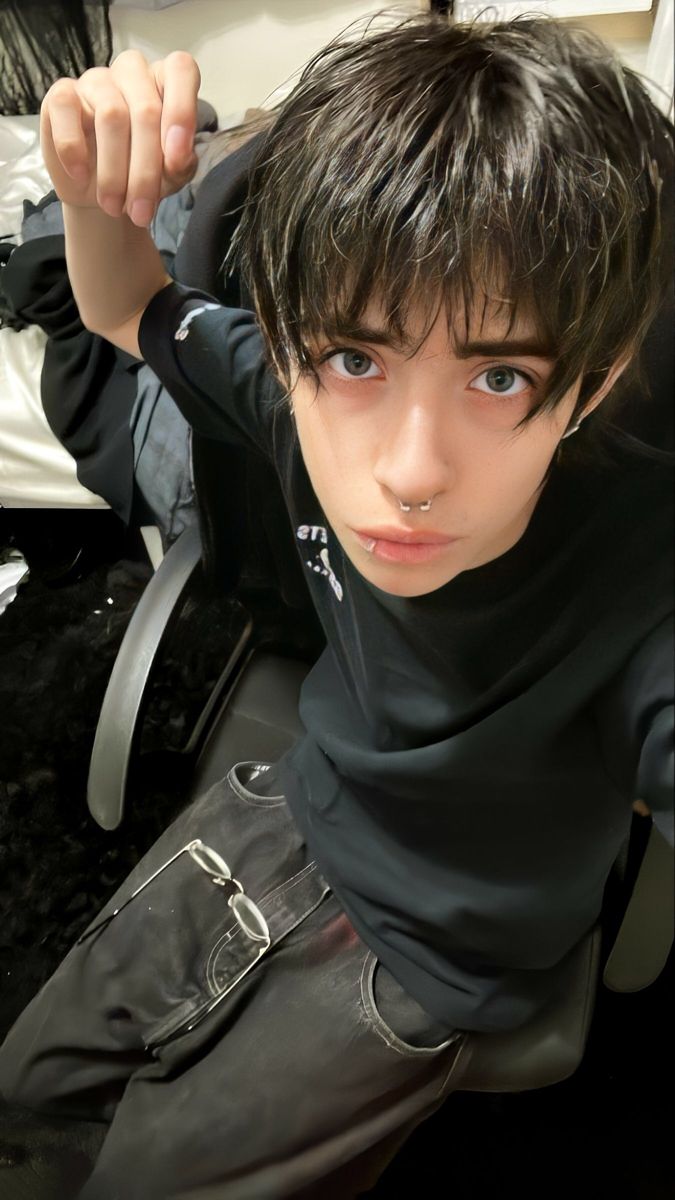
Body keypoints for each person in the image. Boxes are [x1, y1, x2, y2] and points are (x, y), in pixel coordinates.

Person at [0, 14, 673, 1199]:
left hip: (434, 949)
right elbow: (128, 308)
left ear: (597, 379)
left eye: (499, 376)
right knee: (26, 1092)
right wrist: (90, 181)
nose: (409, 470)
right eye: (359, 361)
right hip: (283, 812)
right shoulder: (292, 387)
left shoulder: (643, 568)